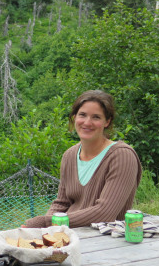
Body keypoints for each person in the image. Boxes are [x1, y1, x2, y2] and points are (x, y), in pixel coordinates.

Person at [22, 90, 142, 228]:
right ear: (74, 118)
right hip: (68, 236)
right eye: (82, 115)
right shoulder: (69, 155)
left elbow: (105, 213)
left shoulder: (121, 156)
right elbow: (61, 203)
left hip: (106, 242)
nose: (87, 122)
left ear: (107, 122)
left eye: (96, 117)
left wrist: (46, 222)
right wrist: (47, 232)